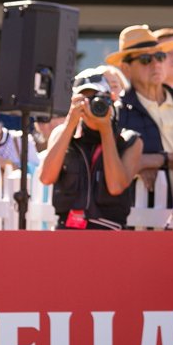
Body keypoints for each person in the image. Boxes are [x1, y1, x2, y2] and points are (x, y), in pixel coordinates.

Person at [37, 71, 143, 230]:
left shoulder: (129, 140)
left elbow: (116, 186)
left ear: (111, 99)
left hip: (108, 233)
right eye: (83, 100)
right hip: (68, 231)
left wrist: (105, 129)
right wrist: (70, 124)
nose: (90, 105)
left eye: (96, 98)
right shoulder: (63, 134)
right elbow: (46, 178)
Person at [112, 25, 173, 199]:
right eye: (145, 59)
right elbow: (114, 167)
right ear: (126, 69)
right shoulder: (118, 114)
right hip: (144, 216)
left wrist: (154, 160)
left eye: (159, 56)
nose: (156, 64)